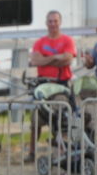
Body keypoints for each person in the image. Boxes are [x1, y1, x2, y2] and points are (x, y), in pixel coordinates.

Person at [28, 10, 76, 161]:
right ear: (46, 23)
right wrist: (56, 57)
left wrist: (46, 58)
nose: (53, 24)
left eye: (55, 21)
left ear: (60, 22)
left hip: (61, 84)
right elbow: (35, 61)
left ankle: (61, 150)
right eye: (50, 21)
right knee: (36, 119)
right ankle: (31, 152)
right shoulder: (40, 42)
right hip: (43, 85)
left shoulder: (67, 40)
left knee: (60, 116)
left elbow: (68, 60)